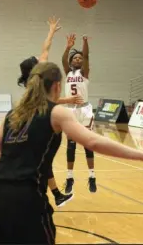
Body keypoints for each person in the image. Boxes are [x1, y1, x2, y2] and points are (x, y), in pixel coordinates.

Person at [0, 61, 143, 244]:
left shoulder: (13, 114)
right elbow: (93, 141)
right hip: (26, 200)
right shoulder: (56, 112)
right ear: (57, 86)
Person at [18, 17, 83, 207]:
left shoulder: (32, 81)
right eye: (37, 60)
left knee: (42, 161)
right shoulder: (38, 77)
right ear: (35, 66)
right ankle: (45, 196)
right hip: (45, 123)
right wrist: (51, 32)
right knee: (43, 162)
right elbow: (45, 50)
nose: (40, 58)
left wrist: (52, 32)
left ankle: (55, 194)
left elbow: (45, 50)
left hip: (35, 122)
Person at [62, 34, 96, 194]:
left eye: (80, 58)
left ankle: (92, 176)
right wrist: (68, 47)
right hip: (70, 110)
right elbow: (63, 61)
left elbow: (87, 56)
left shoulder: (85, 73)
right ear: (71, 62)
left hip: (84, 110)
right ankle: (69, 177)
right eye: (75, 58)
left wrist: (84, 42)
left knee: (88, 144)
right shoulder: (68, 72)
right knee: (71, 145)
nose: (78, 59)